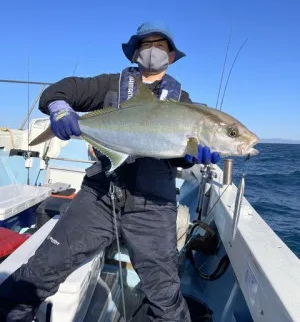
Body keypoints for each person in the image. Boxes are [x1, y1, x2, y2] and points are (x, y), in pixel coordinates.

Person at [0, 21, 220, 321]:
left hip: (153, 207)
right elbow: (58, 90)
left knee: (165, 298)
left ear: (170, 55)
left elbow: (177, 159)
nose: (153, 51)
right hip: (100, 196)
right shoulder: (109, 86)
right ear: (135, 53)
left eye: (160, 45)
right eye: (146, 45)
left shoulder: (182, 104)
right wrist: (61, 108)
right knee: (39, 272)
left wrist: (193, 156)